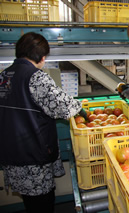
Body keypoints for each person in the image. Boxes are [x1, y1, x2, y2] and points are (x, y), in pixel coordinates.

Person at [0, 32, 86, 213]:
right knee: (42, 203)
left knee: (30, 202)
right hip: (32, 156)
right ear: (41, 56)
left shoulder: (3, 77)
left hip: (11, 152)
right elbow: (62, 106)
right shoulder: (36, 77)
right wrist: (81, 109)